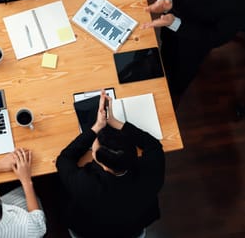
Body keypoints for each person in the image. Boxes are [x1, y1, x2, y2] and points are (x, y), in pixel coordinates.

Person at [56, 90, 165, 238]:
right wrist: (113, 121)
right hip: (132, 229)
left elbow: (64, 159)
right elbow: (153, 146)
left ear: (104, 165)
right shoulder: (150, 172)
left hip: (90, 231)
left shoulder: (86, 185)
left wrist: (96, 128)